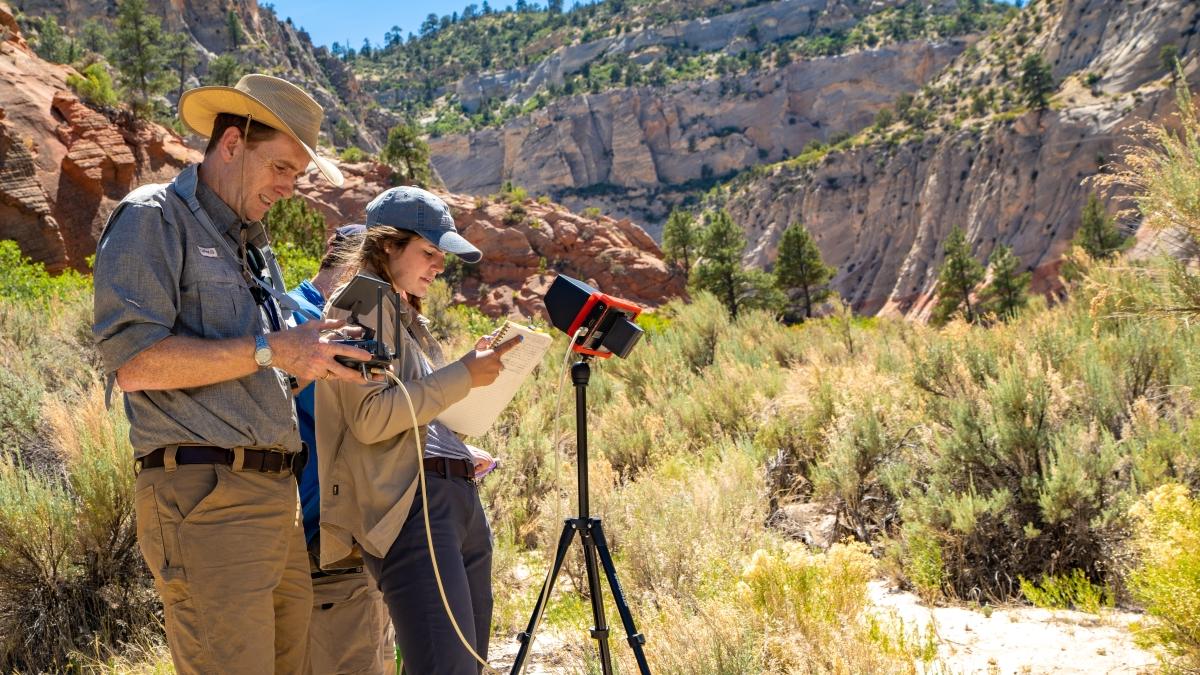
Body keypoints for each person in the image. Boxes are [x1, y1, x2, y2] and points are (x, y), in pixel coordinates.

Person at [92, 74, 371, 674]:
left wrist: (312, 363)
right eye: (281, 168)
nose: (288, 188)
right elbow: (135, 364)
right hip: (207, 500)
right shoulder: (154, 217)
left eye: (297, 174)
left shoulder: (255, 247)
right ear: (233, 143)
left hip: (277, 500)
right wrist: (274, 350)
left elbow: (258, 368)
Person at [315, 186, 517, 674]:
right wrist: (465, 373)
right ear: (387, 244)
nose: (438, 266)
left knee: (463, 667)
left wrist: (457, 446)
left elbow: (410, 410)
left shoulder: (401, 314)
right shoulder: (362, 301)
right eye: (428, 252)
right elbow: (370, 419)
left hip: (451, 500)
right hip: (413, 507)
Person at [288, 224, 396, 675]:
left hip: (368, 534)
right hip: (322, 535)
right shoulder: (295, 315)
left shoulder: (369, 317)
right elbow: (345, 411)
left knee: (377, 654)